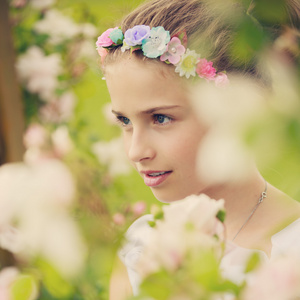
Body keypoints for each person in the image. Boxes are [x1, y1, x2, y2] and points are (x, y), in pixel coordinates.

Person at [95, 0, 300, 298]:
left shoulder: (292, 248)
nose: (135, 151)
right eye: (125, 121)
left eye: (161, 118)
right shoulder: (142, 248)